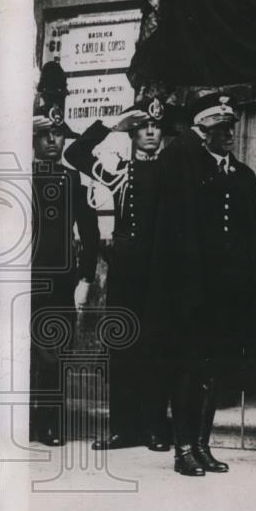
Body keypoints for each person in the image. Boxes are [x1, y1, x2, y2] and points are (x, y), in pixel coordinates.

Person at [145, 93, 256, 477]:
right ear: (202, 133)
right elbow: (170, 166)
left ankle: (202, 445)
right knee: (187, 368)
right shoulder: (184, 166)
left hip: (227, 295)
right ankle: (183, 448)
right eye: (218, 129)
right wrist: (192, 135)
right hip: (191, 293)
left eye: (230, 128)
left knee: (213, 370)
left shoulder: (243, 175)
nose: (228, 135)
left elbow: (253, 238)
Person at [64, 98, 174, 452]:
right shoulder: (119, 172)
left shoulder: (175, 171)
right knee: (123, 344)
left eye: (156, 126)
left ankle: (156, 428)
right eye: (143, 127)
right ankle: (123, 429)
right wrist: (111, 125)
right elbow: (75, 153)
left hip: (162, 271)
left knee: (156, 347)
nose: (151, 132)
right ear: (132, 133)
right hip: (126, 271)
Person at [30, 99, 100, 446]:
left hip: (58, 280)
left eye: (58, 134)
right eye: (44, 134)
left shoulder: (73, 179)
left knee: (53, 352)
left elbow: (90, 232)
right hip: (19, 279)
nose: (52, 141)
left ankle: (50, 423)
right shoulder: (17, 174)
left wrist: (86, 277)